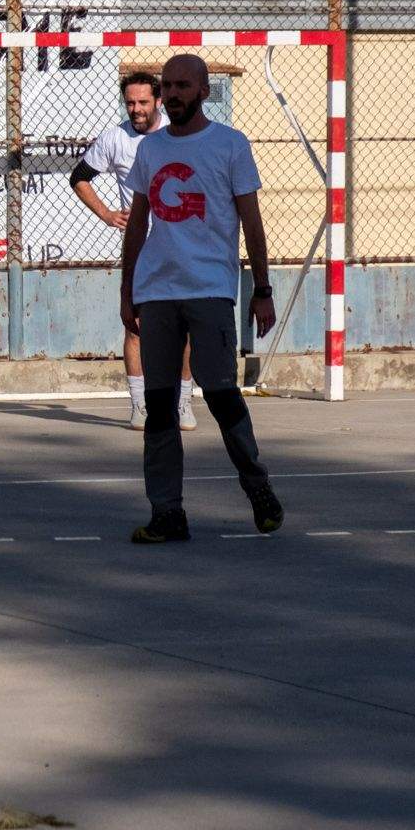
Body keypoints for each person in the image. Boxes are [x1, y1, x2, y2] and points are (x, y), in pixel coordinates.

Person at [119, 53, 283, 545]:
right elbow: (137, 223)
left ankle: (258, 489)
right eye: (167, 86)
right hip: (157, 294)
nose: (172, 94)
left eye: (182, 86)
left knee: (220, 394)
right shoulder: (149, 150)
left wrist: (262, 288)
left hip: (210, 290)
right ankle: (167, 512)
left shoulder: (230, 145)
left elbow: (252, 222)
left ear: (204, 91)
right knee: (159, 405)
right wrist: (128, 291)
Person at [71, 71, 194, 432]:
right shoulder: (115, 139)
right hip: (142, 248)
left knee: (185, 326)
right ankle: (140, 406)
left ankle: (183, 403)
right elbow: (79, 176)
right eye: (130, 103)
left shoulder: (179, 135)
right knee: (136, 325)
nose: (136, 109)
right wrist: (107, 214)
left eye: (142, 102)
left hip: (182, 245)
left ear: (158, 101)